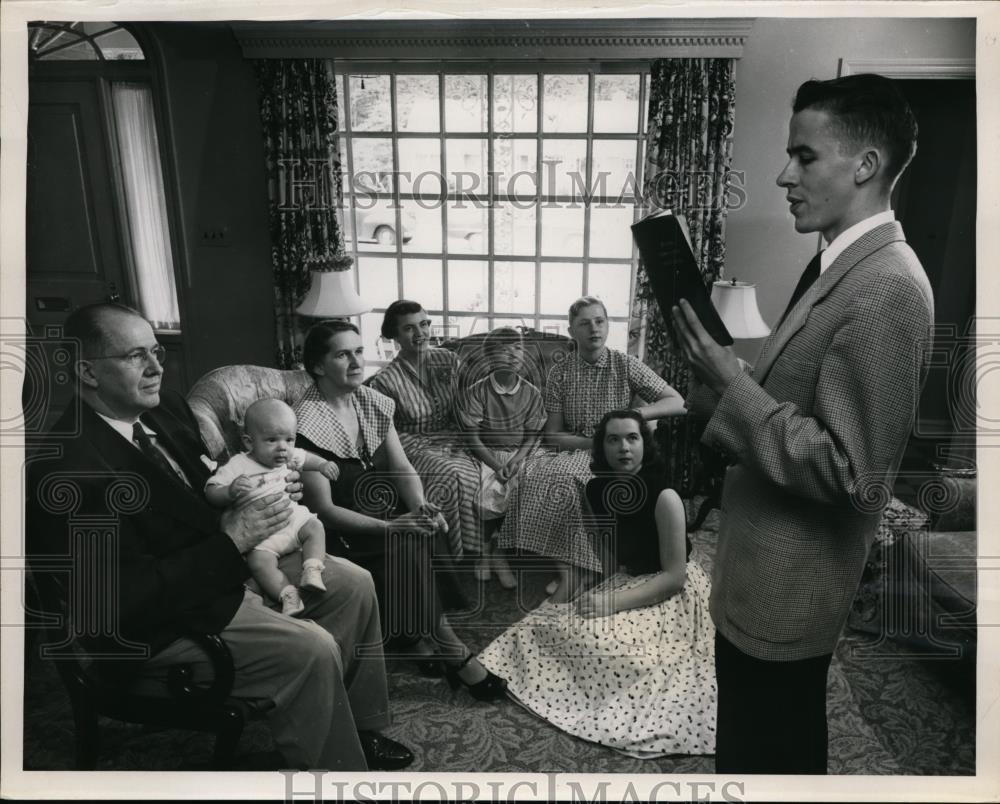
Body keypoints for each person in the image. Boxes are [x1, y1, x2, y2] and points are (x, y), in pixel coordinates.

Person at [671, 73, 934, 774]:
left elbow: (856, 474)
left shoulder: (887, 287)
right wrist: (721, 389)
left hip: (789, 600)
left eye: (805, 156)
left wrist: (734, 388)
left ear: (866, 165)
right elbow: (803, 407)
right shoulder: (837, 265)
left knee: (774, 765)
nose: (785, 175)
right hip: (761, 583)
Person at [25, 302, 413, 771]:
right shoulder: (67, 471)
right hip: (160, 628)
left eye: (156, 352)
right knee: (311, 648)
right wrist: (231, 542)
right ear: (86, 371)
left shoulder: (163, 409)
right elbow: (115, 608)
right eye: (134, 357)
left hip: (219, 570)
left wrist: (260, 487)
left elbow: (205, 486)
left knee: (353, 582)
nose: (155, 368)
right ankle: (335, 774)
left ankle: (356, 724)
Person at [479, 410, 716, 757]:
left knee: (623, 652)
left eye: (632, 438)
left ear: (644, 445)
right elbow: (610, 560)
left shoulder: (665, 496)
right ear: (601, 448)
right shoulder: (596, 489)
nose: (624, 448)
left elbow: (674, 577)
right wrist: (588, 594)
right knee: (556, 625)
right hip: (628, 580)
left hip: (671, 593)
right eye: (613, 439)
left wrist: (611, 604)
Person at [294, 320, 507, 701]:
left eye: (359, 351)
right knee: (405, 541)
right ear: (318, 366)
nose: (356, 361)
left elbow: (401, 466)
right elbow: (323, 510)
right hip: (339, 530)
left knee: (427, 524)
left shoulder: (369, 400)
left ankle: (412, 635)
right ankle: (452, 649)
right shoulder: (306, 422)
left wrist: (421, 506)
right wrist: (390, 527)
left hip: (379, 508)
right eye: (342, 354)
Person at [497, 296, 686, 603]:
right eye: (584, 323)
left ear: (607, 325)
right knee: (536, 474)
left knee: (573, 482)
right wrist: (591, 442)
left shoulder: (624, 364)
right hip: (578, 445)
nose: (593, 329)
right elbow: (554, 434)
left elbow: (677, 402)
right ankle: (570, 568)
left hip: (614, 449)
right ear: (572, 330)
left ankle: (586, 570)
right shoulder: (560, 372)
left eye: (599, 321)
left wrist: (633, 419)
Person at [367, 301, 482, 562]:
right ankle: (455, 555)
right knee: (450, 475)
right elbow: (384, 436)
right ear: (394, 336)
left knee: (477, 470)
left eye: (424, 324)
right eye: (409, 328)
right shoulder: (384, 380)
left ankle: (481, 548)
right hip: (412, 443)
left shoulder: (448, 359)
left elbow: (470, 402)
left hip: (454, 437)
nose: (420, 333)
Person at [204, 398, 340, 617]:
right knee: (258, 563)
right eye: (272, 440)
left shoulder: (288, 455)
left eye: (289, 439)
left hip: (293, 521)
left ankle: (312, 569)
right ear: (249, 442)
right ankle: (287, 595)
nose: (283, 448)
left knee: (315, 527)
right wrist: (229, 491)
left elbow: (305, 458)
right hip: (262, 536)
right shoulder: (238, 465)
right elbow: (211, 490)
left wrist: (323, 465)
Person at [457, 326, 547, 588]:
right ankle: (486, 553)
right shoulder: (478, 391)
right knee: (487, 492)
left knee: (523, 486)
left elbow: (532, 436)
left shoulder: (531, 393)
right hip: (487, 454)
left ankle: (501, 553)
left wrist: (517, 460)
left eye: (517, 348)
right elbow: (473, 438)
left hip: (519, 453)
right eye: (504, 350)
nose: (513, 355)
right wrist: (496, 464)